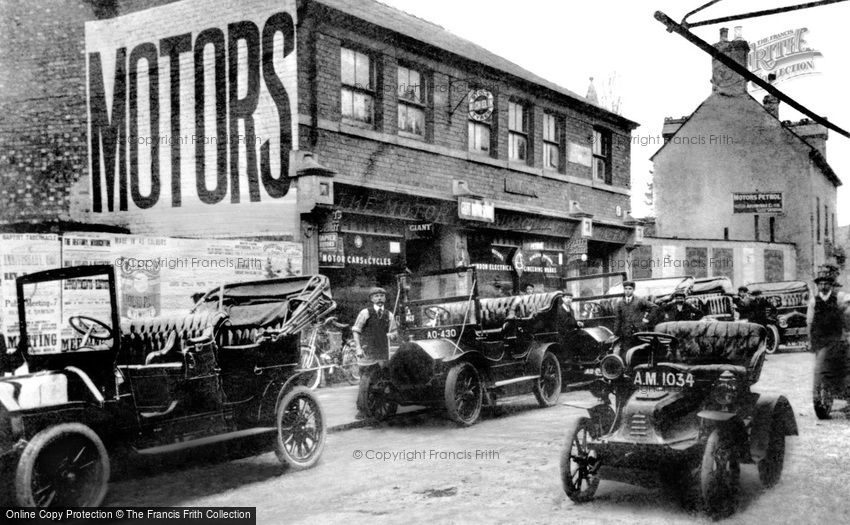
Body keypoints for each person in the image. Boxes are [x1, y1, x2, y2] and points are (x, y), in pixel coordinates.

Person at [353, 286, 397, 419]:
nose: (379, 298)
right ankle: (362, 409)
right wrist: (358, 348)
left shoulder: (389, 315)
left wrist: (392, 335)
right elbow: (356, 330)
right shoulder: (365, 313)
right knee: (365, 382)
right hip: (367, 353)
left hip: (382, 353)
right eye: (376, 296)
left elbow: (395, 332)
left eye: (381, 296)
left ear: (385, 298)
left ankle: (376, 408)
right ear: (372, 299)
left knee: (380, 381)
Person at [808, 270, 849, 401]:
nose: (823, 286)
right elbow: (809, 321)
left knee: (842, 362)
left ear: (831, 285)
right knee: (820, 368)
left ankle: (842, 388)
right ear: (817, 286)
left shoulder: (839, 297)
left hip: (835, 336)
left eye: (826, 283)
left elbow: (848, 303)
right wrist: (810, 340)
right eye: (820, 284)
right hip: (819, 338)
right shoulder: (814, 301)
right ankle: (821, 393)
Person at [614, 280, 657, 345]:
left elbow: (654, 307)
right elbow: (618, 319)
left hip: (638, 332)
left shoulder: (639, 300)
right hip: (626, 334)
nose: (627, 291)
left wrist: (646, 320)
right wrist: (616, 333)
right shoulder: (619, 304)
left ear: (633, 289)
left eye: (630, 289)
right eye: (625, 289)